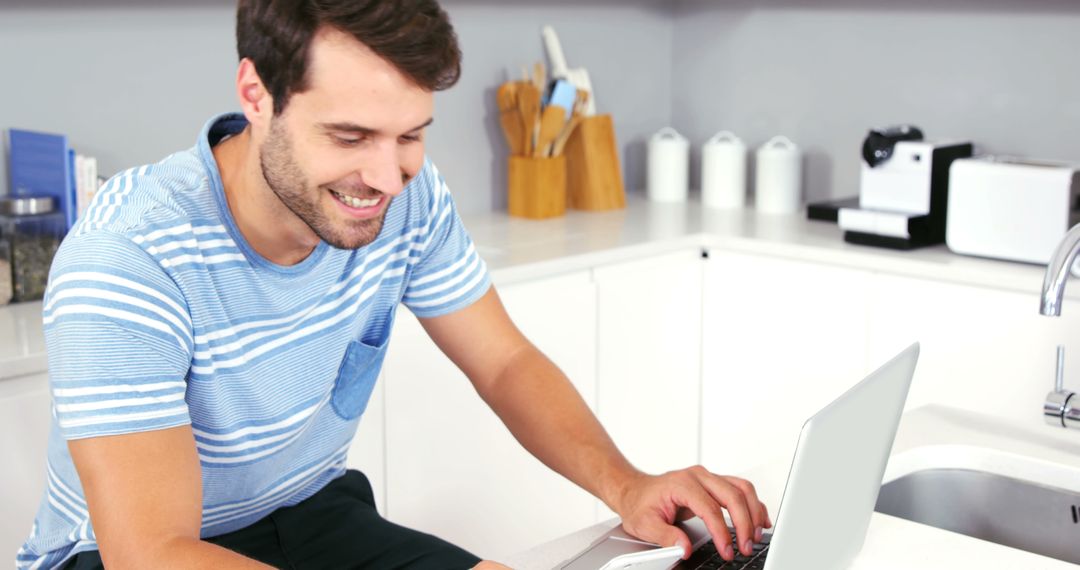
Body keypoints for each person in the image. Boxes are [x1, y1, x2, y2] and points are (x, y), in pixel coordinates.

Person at [16, 1, 771, 568]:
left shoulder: (406, 198)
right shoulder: (129, 257)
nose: (384, 177)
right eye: (349, 137)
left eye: (410, 135)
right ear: (257, 94)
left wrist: (626, 485)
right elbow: (152, 551)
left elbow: (504, 362)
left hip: (310, 514)